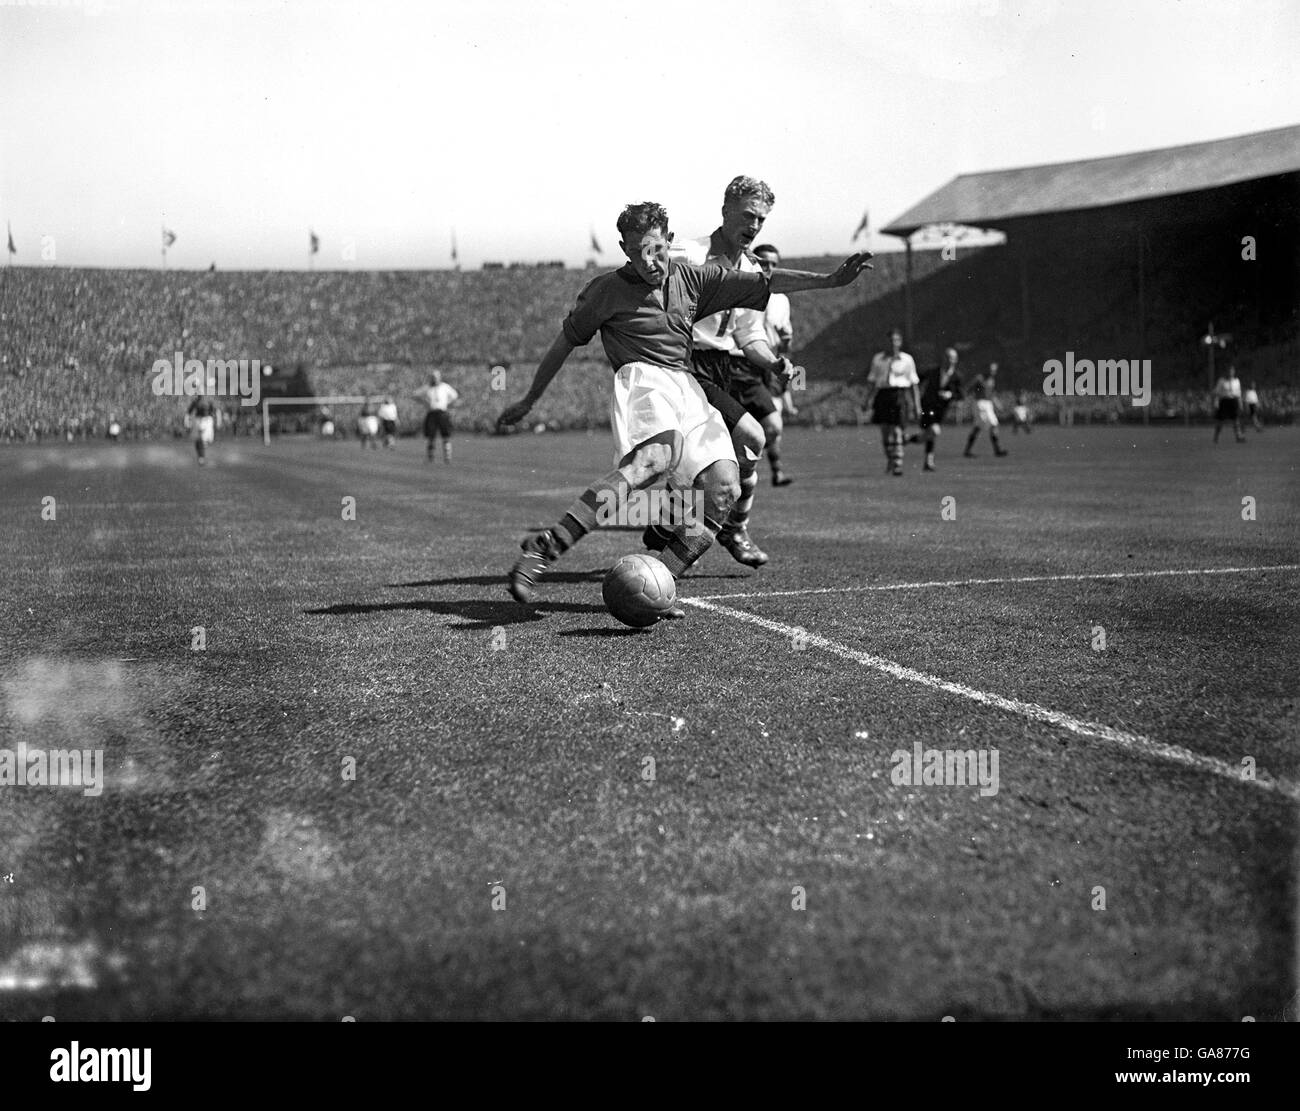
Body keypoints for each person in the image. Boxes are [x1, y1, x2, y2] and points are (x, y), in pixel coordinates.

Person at [496, 200, 872, 611]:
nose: (649, 260)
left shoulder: (694, 279)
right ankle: (545, 548)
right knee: (653, 460)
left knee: (724, 487)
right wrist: (530, 400)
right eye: (638, 251)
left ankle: (660, 581)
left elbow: (764, 280)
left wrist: (832, 281)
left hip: (686, 385)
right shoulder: (605, 291)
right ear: (624, 249)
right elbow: (565, 342)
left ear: (669, 242)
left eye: (656, 249)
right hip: (642, 378)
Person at [664, 177, 797, 568]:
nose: (754, 226)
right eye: (748, 216)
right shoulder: (688, 252)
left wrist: (773, 361)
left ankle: (687, 531)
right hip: (686, 365)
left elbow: (748, 334)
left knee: (734, 458)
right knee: (749, 439)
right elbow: (647, 275)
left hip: (725, 368)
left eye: (761, 219)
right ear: (725, 211)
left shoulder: (753, 270)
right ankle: (711, 531)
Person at [754, 243, 799, 480]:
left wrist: (786, 341)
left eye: (773, 264)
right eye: (763, 262)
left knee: (774, 424)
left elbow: (785, 344)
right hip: (741, 362)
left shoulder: (781, 299)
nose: (768, 268)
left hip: (769, 362)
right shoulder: (738, 289)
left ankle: (776, 470)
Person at [862, 327, 921, 476]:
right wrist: (867, 400)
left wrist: (916, 406)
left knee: (897, 429)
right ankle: (890, 459)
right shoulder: (878, 359)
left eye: (896, 340)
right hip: (883, 395)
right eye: (890, 341)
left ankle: (898, 464)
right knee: (885, 432)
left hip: (899, 395)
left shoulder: (907, 360)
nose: (893, 344)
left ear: (900, 342)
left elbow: (914, 384)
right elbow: (872, 381)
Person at [916, 347, 964, 471]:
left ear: (956, 360)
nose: (949, 361)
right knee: (934, 431)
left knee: (929, 435)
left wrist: (950, 395)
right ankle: (928, 461)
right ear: (943, 359)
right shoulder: (933, 371)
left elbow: (960, 395)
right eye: (947, 358)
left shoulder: (957, 376)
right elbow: (916, 379)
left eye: (952, 358)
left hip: (941, 410)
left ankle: (908, 441)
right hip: (927, 406)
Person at [964, 362, 1009, 458]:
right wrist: (963, 399)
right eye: (990, 369)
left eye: (994, 370)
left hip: (987, 404)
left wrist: (998, 405)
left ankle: (967, 451)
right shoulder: (979, 378)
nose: (992, 371)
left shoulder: (991, 380)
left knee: (978, 427)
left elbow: (991, 394)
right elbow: (968, 388)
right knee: (993, 425)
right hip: (980, 404)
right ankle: (997, 450)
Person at [415, 371, 459, 462]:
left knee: (445, 435)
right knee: (431, 435)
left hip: (442, 413)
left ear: (439, 377)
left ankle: (447, 456)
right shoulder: (427, 387)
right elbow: (415, 394)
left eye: (435, 377)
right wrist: (424, 402)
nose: (434, 379)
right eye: (433, 377)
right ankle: (430, 457)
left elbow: (455, 396)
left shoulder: (445, 387)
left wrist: (447, 403)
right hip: (432, 413)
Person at [1212, 365, 1245, 443]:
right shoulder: (1221, 381)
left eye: (1232, 371)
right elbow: (1216, 392)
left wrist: (1240, 404)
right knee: (1220, 420)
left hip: (1234, 401)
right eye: (1229, 371)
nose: (1230, 372)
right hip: (1224, 401)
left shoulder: (1237, 381)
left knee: (1236, 420)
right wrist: (1216, 402)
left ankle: (1238, 436)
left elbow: (1239, 393)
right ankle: (1216, 436)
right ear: (1226, 372)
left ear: (1234, 372)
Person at [185, 394, 219, 465]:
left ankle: (201, 455)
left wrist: (218, 421)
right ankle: (201, 457)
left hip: (207, 421)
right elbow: (188, 412)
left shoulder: (209, 400)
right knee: (199, 439)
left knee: (206, 440)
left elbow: (217, 411)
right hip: (198, 421)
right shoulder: (196, 401)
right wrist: (186, 422)